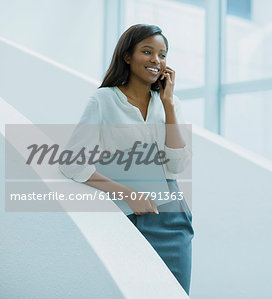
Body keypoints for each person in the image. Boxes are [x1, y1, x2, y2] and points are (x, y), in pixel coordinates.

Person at [59, 24, 194, 295]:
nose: (156, 60)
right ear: (127, 56)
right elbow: (71, 163)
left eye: (163, 55)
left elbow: (177, 166)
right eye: (147, 51)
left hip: (170, 216)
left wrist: (167, 105)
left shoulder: (171, 104)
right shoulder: (103, 101)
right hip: (124, 216)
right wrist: (128, 194)